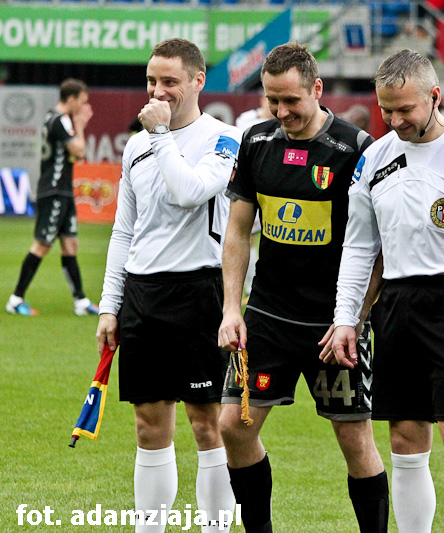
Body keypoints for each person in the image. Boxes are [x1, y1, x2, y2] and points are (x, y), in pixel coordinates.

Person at [329, 49, 444, 533]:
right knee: (405, 440)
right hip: (397, 302)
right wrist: (346, 318)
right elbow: (359, 247)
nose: (395, 120)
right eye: (387, 110)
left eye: (405, 109)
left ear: (435, 96)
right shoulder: (373, 159)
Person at [216, 42, 389, 533]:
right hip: (268, 317)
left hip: (332, 324)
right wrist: (232, 309)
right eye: (272, 100)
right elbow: (238, 232)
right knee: (233, 427)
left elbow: (377, 245)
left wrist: (355, 318)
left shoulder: (355, 149)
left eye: (291, 100)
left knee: (354, 440)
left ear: (317, 88)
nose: (281, 111)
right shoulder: (255, 141)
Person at [95, 38, 241, 533]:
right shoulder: (135, 146)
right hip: (143, 295)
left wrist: (159, 133)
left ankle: (216, 528)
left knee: (207, 423)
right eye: (151, 81)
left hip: (201, 292)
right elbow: (124, 230)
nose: (158, 91)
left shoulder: (225, 138)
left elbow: (190, 192)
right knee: (148, 424)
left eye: (170, 82)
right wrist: (109, 305)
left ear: (198, 82)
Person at [6, 78, 98, 317]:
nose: (84, 107)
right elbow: (79, 150)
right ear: (71, 99)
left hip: (62, 190)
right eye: (82, 102)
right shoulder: (61, 120)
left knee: (70, 244)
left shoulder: (51, 118)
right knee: (42, 244)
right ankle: (16, 299)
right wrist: (80, 125)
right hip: (54, 191)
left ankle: (80, 301)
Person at [234, 95, 275, 299]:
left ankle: (255, 287)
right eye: (271, 100)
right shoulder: (246, 121)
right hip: (251, 185)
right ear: (262, 100)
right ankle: (249, 287)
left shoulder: (279, 123)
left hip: (270, 187)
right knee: (247, 237)